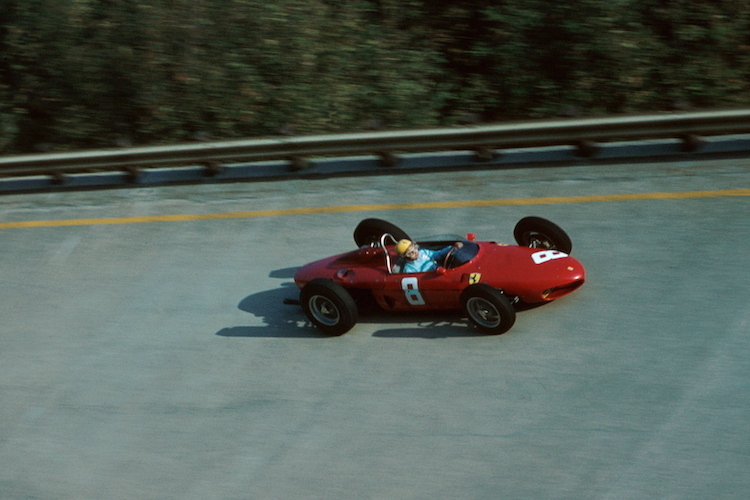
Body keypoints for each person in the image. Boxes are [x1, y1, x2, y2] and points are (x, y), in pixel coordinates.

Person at [395, 239, 463, 273]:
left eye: (415, 248)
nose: (415, 252)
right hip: (433, 279)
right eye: (411, 253)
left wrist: (452, 247)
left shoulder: (422, 252)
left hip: (441, 270)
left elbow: (437, 254)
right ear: (405, 257)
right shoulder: (409, 269)